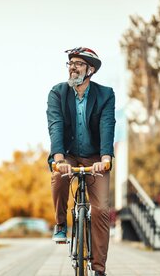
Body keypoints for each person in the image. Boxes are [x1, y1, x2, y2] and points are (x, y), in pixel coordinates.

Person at [46, 47, 115, 276]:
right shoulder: (57, 93)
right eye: (70, 63)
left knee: (100, 211)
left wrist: (105, 158)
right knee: (59, 175)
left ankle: (98, 269)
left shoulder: (105, 94)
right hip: (68, 153)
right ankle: (60, 224)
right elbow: (55, 125)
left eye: (78, 63)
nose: (72, 66)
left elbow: (107, 125)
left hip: (96, 156)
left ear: (90, 70)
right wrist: (58, 159)